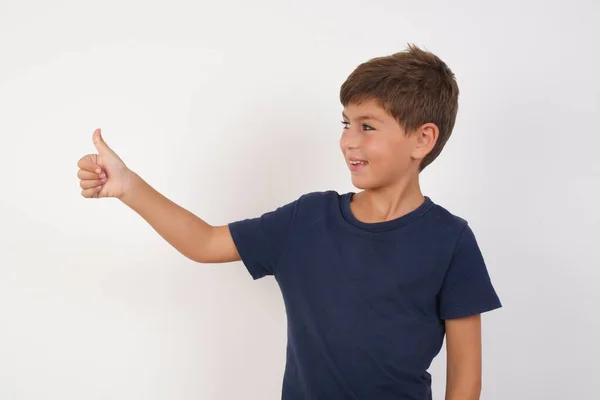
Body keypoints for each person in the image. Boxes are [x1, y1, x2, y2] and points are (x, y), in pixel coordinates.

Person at [77, 43, 501, 400]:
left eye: (367, 126)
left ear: (422, 138)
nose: (349, 140)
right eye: (346, 123)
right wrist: (129, 187)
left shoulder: (451, 241)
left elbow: (466, 373)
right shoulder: (307, 220)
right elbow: (204, 243)